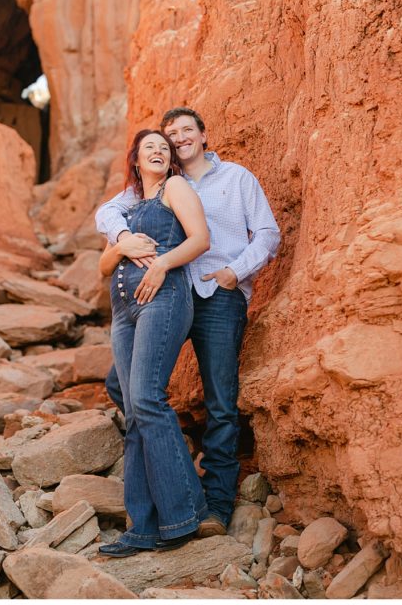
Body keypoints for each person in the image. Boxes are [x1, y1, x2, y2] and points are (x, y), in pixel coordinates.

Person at [97, 107, 280, 537]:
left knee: (219, 400)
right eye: (168, 134)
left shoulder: (236, 178)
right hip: (170, 293)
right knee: (120, 386)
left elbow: (268, 233)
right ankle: (174, 464)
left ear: (202, 135)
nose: (177, 139)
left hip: (217, 294)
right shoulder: (154, 186)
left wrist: (236, 272)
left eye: (184, 131)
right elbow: (107, 214)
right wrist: (122, 239)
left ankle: (215, 504)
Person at [97, 128, 211, 558]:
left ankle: (183, 514)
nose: (160, 152)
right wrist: (122, 245)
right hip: (123, 311)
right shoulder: (125, 207)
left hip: (162, 298)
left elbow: (201, 239)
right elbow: (103, 266)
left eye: (165, 148)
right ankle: (141, 528)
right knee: (135, 414)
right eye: (151, 148)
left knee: (146, 399)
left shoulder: (176, 188)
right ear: (136, 159)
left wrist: (161, 264)